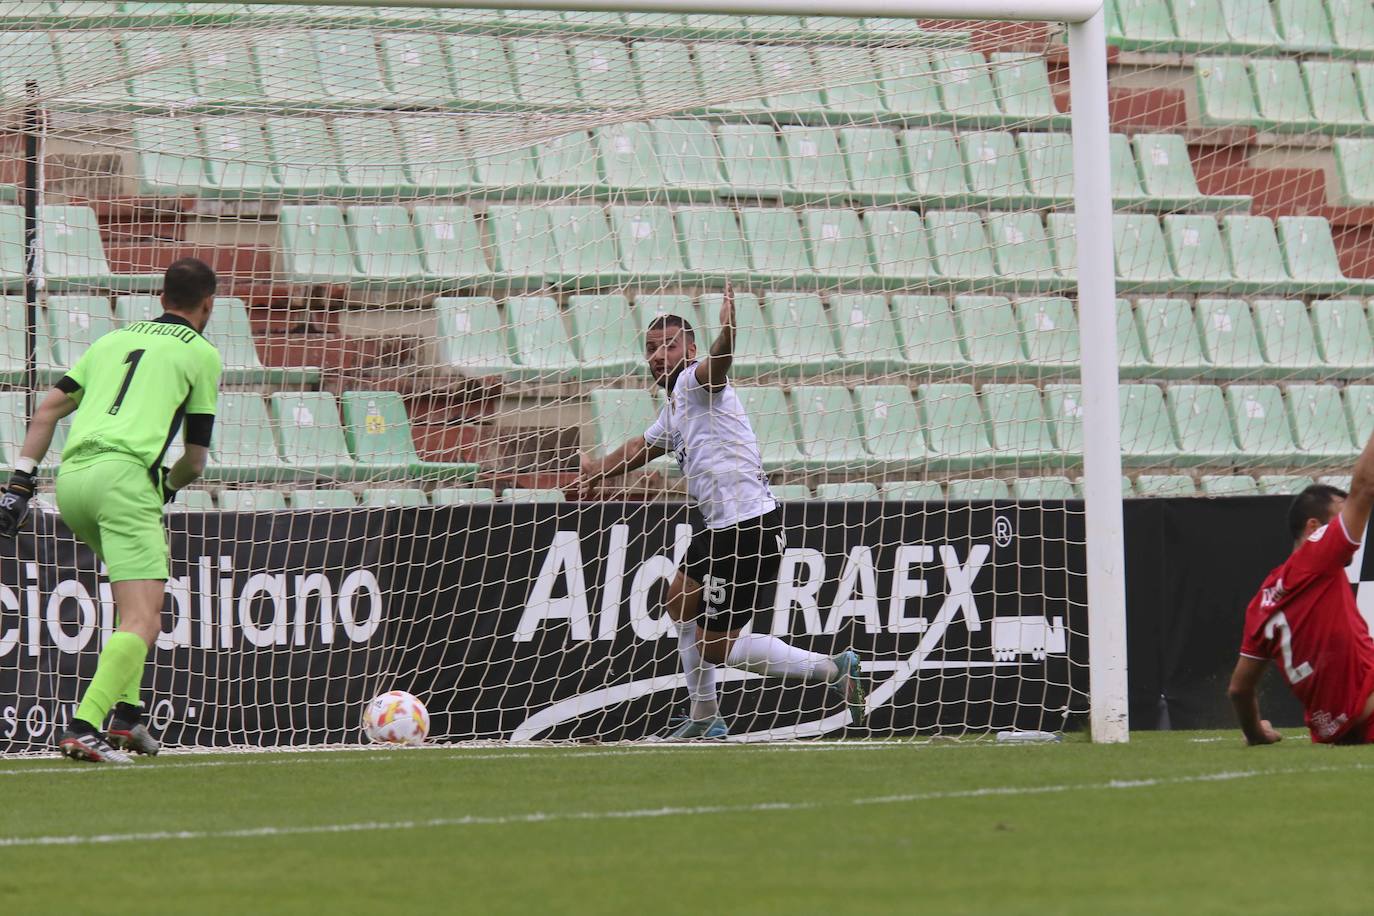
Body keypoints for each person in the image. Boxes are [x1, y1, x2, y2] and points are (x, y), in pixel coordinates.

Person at [578, 281, 865, 739]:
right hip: (722, 528)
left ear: (689, 350)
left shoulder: (696, 384)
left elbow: (719, 363)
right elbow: (640, 447)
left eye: (666, 347)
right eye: (650, 349)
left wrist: (728, 327)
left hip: (747, 529)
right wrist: (597, 473)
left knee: (716, 647)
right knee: (678, 601)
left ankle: (832, 670)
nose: (655, 357)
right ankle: (704, 715)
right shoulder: (676, 406)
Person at [0, 258, 222, 763]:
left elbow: (48, 410)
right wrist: (164, 487)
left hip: (72, 482)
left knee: (130, 606)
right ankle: (84, 724)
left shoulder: (110, 341)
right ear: (209, 304)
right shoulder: (202, 354)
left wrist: (19, 485)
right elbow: (194, 458)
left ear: (161, 296)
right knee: (144, 620)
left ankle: (126, 718)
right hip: (125, 481)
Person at [1228, 435, 1374, 745]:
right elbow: (1365, 487)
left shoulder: (1262, 603)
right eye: (1341, 518)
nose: (1353, 525)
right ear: (1314, 529)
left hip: (1336, 731)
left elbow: (1239, 690)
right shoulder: (1317, 556)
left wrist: (1256, 733)